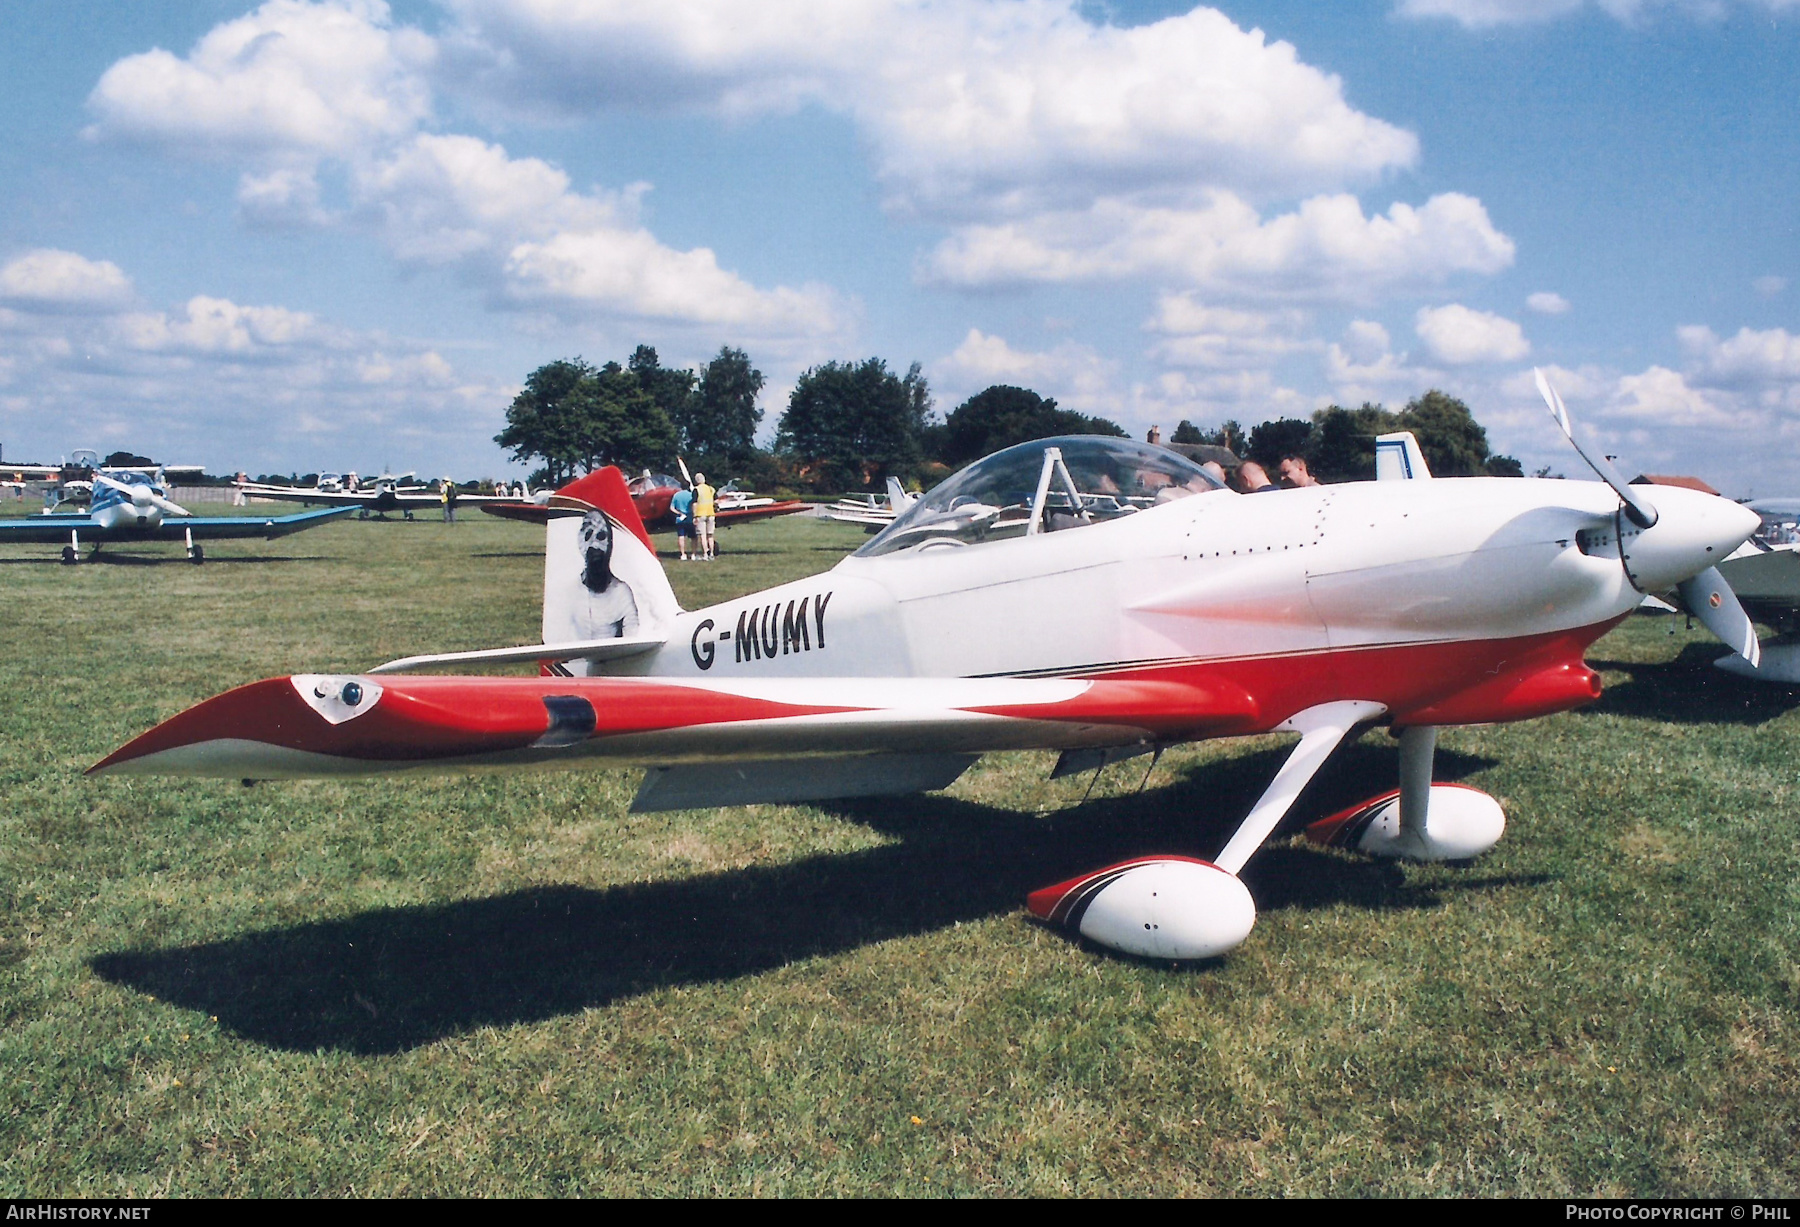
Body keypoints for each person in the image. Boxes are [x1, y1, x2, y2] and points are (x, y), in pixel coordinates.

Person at [572, 510, 639, 637]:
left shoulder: (621, 592)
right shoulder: (571, 592)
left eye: (601, 536)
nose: (594, 544)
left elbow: (632, 633)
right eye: (589, 535)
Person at [692, 471, 717, 560]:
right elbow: (716, 501)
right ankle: (712, 554)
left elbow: (694, 503)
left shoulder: (696, 489)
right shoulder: (711, 489)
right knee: (710, 535)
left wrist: (694, 516)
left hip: (700, 514)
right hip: (711, 513)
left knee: (702, 535)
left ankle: (705, 554)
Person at [670, 482, 696, 561]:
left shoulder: (676, 495)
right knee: (693, 538)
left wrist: (679, 513)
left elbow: (671, 508)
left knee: (681, 537)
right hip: (690, 518)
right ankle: (693, 554)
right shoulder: (691, 495)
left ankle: (683, 554)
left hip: (680, 519)